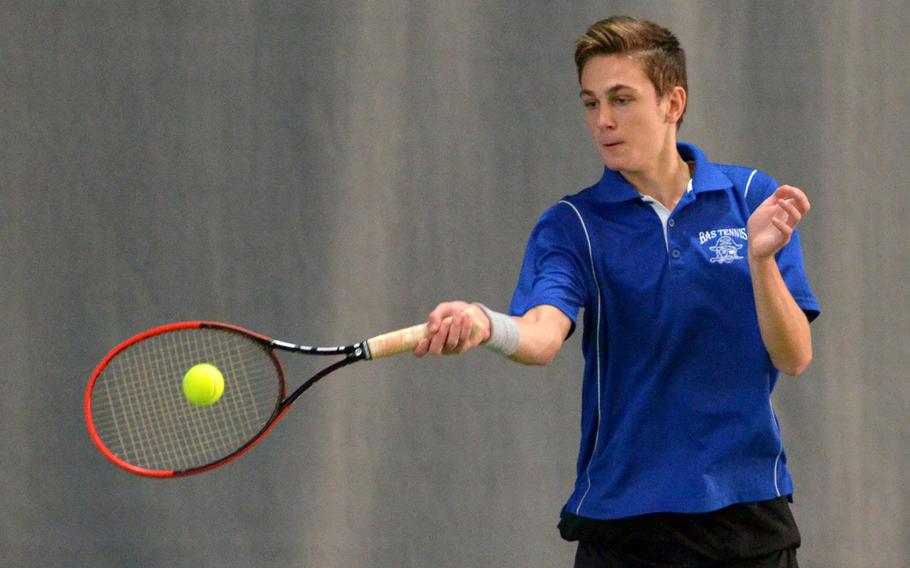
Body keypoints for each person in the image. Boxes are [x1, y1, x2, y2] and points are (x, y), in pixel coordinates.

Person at [414, 16, 819, 568]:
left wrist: (761, 258)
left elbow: (793, 356)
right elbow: (540, 336)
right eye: (590, 103)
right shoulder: (573, 225)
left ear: (673, 102)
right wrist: (486, 324)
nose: (603, 120)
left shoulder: (753, 197)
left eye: (622, 99)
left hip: (747, 514)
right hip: (626, 526)